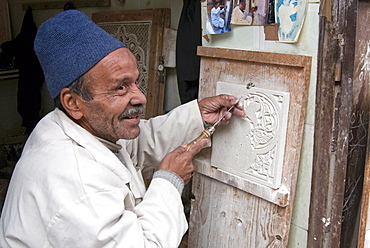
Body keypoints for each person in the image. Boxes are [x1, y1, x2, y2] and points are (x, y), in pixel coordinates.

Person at [0, 10, 244, 247]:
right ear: (73, 103)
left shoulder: (76, 127)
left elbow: (136, 144)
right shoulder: (72, 179)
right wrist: (169, 181)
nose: (141, 97)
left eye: (135, 81)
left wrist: (197, 116)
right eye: (120, 87)